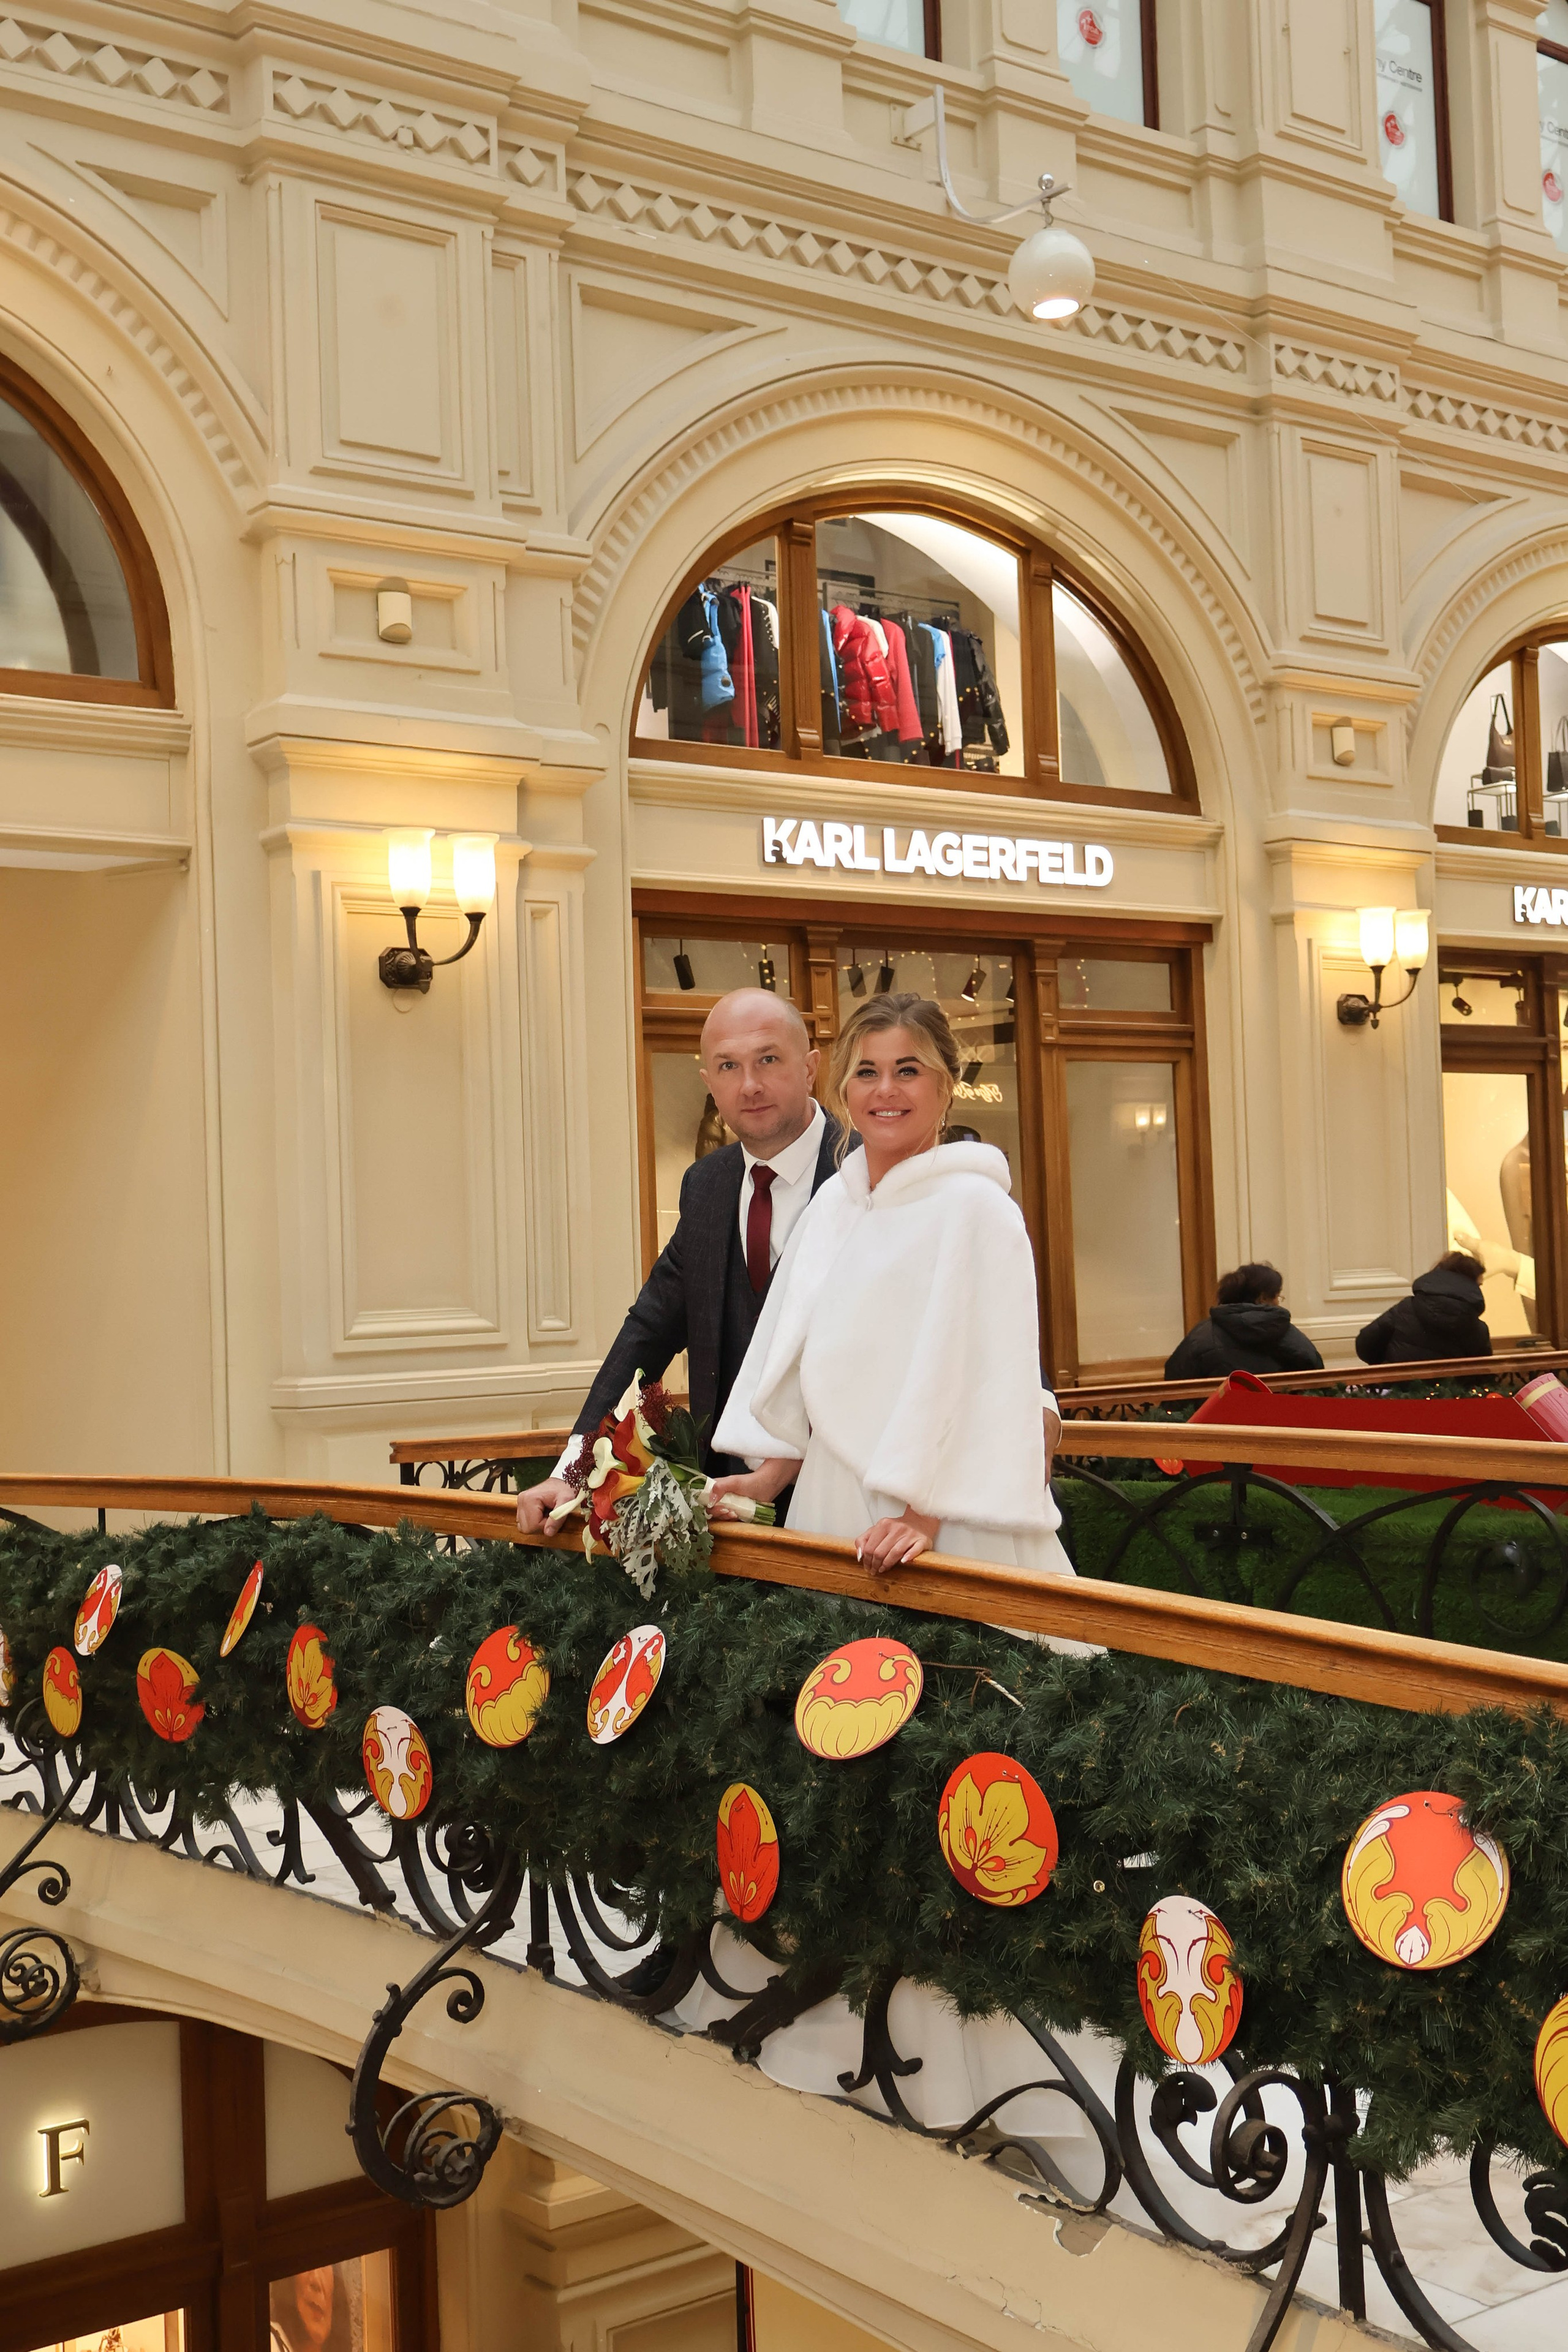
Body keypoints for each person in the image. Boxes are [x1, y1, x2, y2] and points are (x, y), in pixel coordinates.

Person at [706, 991, 1072, 1581]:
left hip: (943, 1515)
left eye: (909, 1071)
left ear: (946, 1086)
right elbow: (804, 1354)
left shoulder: (977, 1208)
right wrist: (768, 1478)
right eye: (867, 1072)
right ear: (844, 1090)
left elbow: (983, 1376)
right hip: (832, 1494)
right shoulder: (835, 1204)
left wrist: (922, 1517)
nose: (885, 1091)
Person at [515, 989, 840, 1531]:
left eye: (768, 1059)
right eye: (728, 1067)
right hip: (727, 1513)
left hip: (846, 1505)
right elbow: (647, 1332)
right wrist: (571, 1472)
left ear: (810, 1069)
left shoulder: (865, 1171)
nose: (750, 1084)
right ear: (709, 1083)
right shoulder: (706, 1186)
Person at [1163, 1263, 1323, 1380]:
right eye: (1277, 1296)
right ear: (1263, 1298)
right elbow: (1318, 1378)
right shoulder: (1291, 1335)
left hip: (1217, 1423)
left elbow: (1176, 1379)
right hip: (1282, 1421)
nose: (1278, 1302)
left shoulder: (1201, 1336)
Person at [1355, 1251, 1491, 1365]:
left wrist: (1387, 1365)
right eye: (1478, 1286)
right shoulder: (1477, 1329)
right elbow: (1482, 1375)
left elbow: (1365, 1345)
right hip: (1453, 1396)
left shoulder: (1406, 1309)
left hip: (1398, 1393)